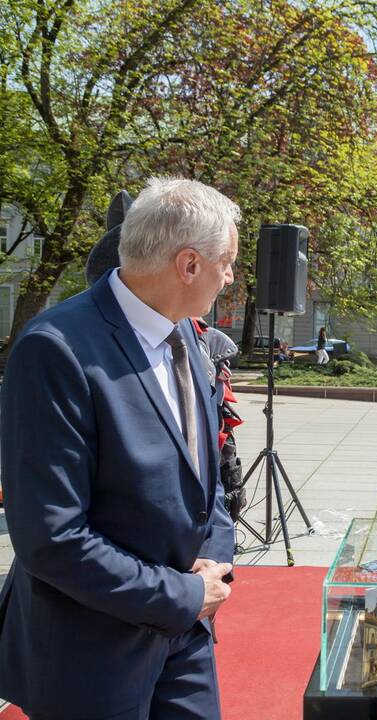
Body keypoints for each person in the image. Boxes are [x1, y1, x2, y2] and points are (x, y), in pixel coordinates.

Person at [0, 177, 239, 719]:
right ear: (188, 265)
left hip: (186, 635)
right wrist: (181, 596)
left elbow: (208, 481)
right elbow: (51, 537)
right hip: (91, 652)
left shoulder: (188, 338)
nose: (229, 276)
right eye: (226, 262)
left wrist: (214, 562)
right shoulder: (55, 350)